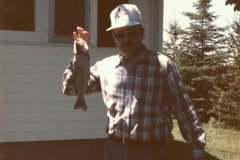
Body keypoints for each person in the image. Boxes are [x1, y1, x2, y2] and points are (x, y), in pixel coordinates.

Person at [62, 4, 206, 160]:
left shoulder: (163, 66)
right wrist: (79, 56)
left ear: (141, 33)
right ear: (114, 37)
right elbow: (70, 89)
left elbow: (184, 109)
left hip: (152, 151)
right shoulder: (105, 67)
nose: (126, 39)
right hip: (114, 150)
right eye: (120, 34)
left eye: (131, 33)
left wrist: (197, 148)